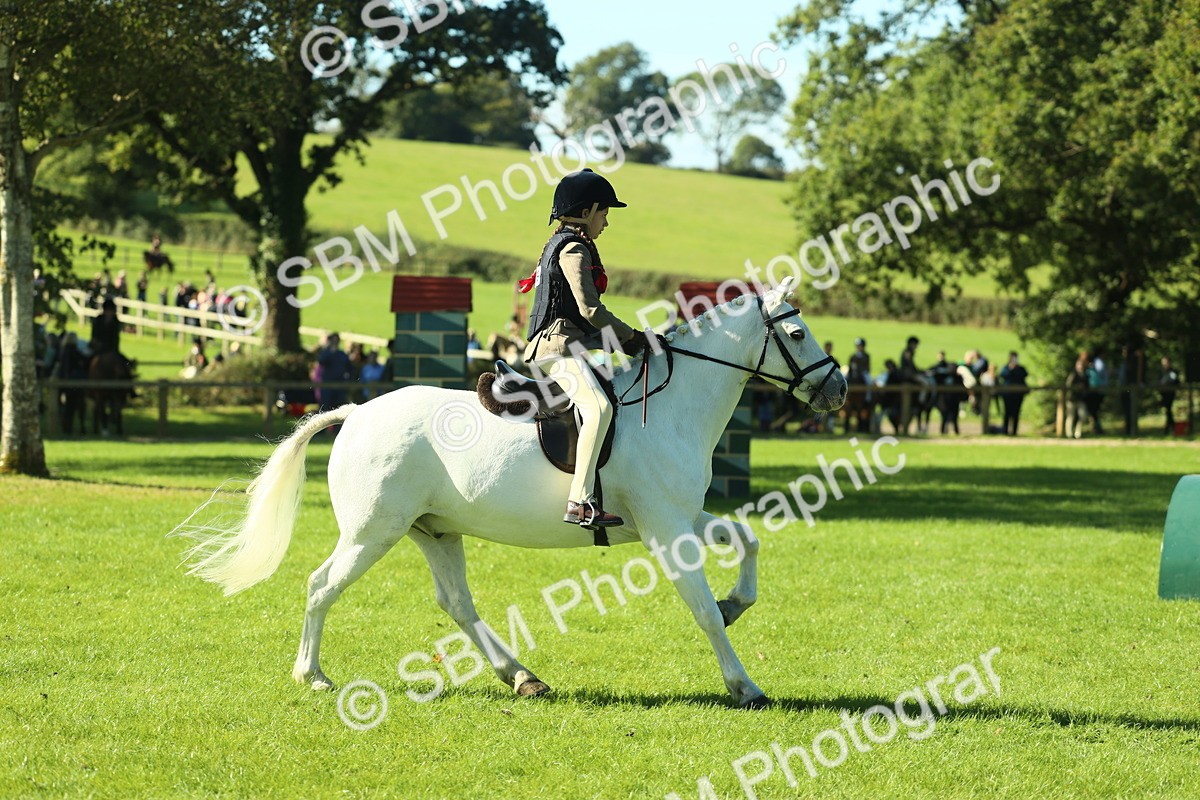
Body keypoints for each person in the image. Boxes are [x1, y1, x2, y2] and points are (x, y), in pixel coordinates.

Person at [519, 168, 640, 528]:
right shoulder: (574, 248)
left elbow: (583, 321)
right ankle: (580, 501)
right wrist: (632, 339)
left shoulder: (561, 242)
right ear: (587, 212)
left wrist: (627, 344)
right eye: (604, 213)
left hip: (566, 345)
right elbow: (591, 311)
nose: (606, 222)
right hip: (556, 348)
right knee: (599, 408)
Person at [317, 333, 353, 412]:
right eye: (333, 341)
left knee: (338, 409)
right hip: (327, 386)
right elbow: (321, 361)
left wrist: (348, 380)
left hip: (339, 386)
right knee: (325, 409)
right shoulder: (326, 353)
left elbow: (349, 368)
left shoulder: (342, 354)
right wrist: (330, 351)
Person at [1000, 351, 1029, 436]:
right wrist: (1011, 369)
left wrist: (1016, 369)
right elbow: (1003, 375)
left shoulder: (1021, 369)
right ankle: (1005, 431)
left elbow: (1024, 375)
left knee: (1016, 413)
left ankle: (1014, 432)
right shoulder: (1006, 368)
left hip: (1018, 394)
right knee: (1007, 412)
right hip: (1007, 394)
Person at [1066, 355, 1091, 439]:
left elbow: (1088, 387)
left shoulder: (1085, 376)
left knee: (1082, 416)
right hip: (1072, 399)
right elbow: (1068, 385)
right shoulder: (1073, 375)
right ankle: (1069, 434)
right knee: (1070, 416)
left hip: (1081, 399)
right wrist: (1077, 387)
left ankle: (1078, 433)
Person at [1159, 356, 1181, 435]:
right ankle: (1171, 427)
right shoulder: (1161, 372)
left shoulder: (1173, 372)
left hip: (1170, 393)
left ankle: (1169, 428)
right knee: (1168, 410)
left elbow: (1177, 382)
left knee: (1168, 410)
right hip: (1163, 394)